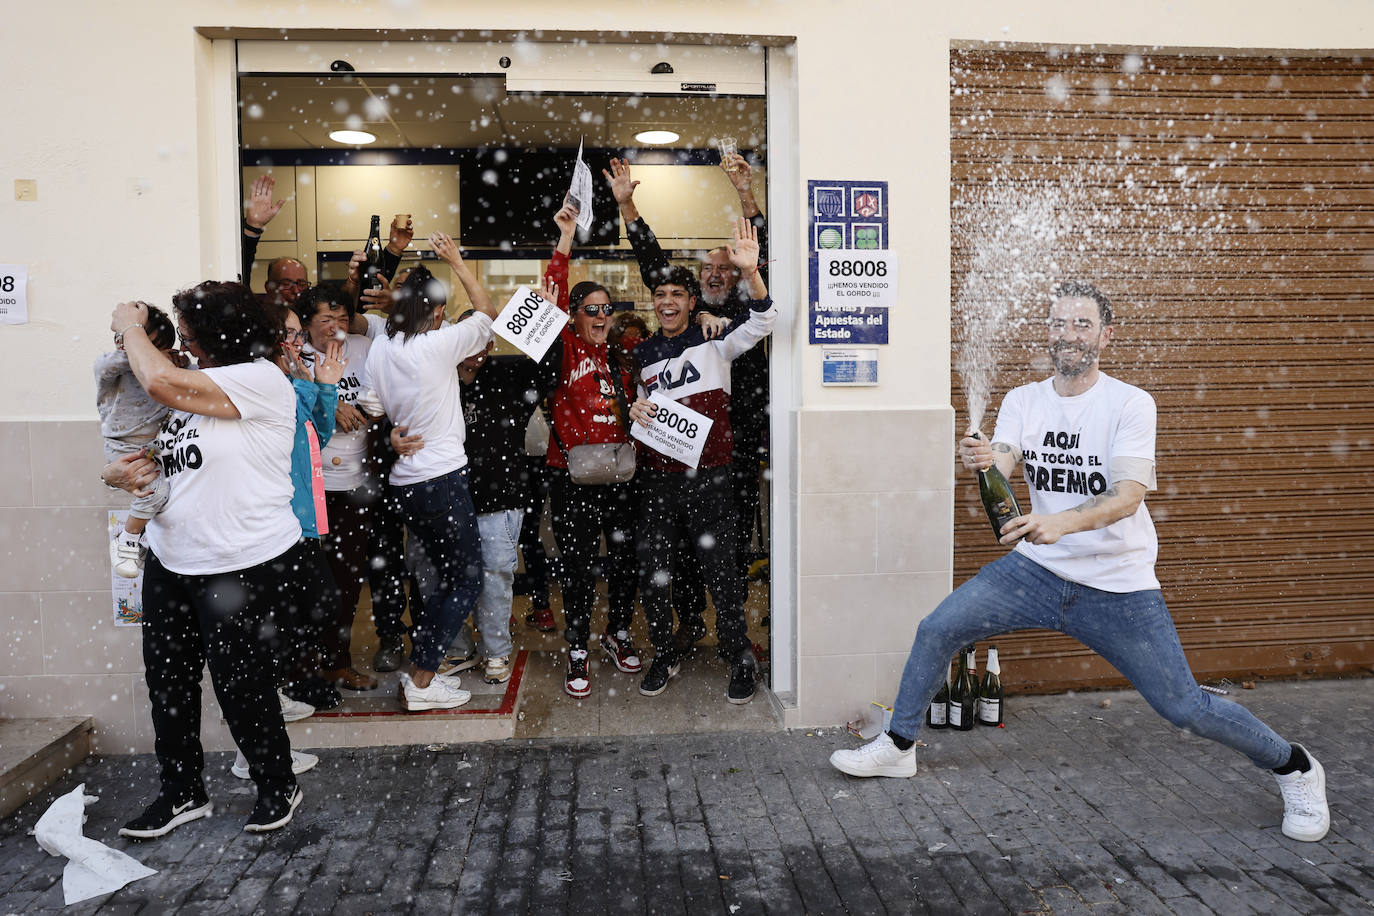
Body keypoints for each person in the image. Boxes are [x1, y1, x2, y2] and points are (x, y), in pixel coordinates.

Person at [829, 281, 1331, 844]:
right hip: (1036, 572)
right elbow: (1005, 457)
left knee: (1184, 707)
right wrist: (983, 456)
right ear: (1048, 333)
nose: (1069, 335)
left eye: (1083, 325)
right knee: (938, 627)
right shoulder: (1024, 399)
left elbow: (1128, 496)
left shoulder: (1130, 403)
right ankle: (899, 747)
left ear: (1105, 336)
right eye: (1059, 324)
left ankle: (1296, 767)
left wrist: (1059, 523)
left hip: (1118, 586)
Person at [106, 283, 313, 837]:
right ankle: (182, 793)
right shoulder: (196, 389)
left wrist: (130, 325)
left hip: (243, 562)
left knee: (240, 683)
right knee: (168, 683)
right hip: (171, 560)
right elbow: (157, 456)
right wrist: (119, 474)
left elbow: (158, 378)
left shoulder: (261, 379)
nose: (188, 344)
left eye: (193, 334)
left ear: (221, 335)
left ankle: (277, 784)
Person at [627, 217, 776, 704]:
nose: (667, 302)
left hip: (711, 478)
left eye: (677, 295)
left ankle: (737, 655)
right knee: (655, 572)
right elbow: (635, 408)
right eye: (661, 295)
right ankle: (665, 652)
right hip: (657, 482)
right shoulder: (642, 352)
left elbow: (764, 320)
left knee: (724, 573)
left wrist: (751, 274)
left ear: (693, 303)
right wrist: (634, 407)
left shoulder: (716, 338)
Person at [607, 154, 771, 593]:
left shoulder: (741, 311)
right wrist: (628, 208)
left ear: (737, 276)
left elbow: (762, 261)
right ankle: (692, 620)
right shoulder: (686, 310)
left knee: (729, 545)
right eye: (708, 269)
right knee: (678, 547)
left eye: (725, 268)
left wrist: (743, 192)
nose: (716, 274)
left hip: (734, 447)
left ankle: (734, 633)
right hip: (678, 452)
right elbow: (653, 264)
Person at [364, 233, 498, 711]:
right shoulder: (436, 346)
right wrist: (458, 262)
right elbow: (488, 313)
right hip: (441, 480)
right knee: (464, 581)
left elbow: (374, 403)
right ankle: (422, 680)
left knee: (438, 580)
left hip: (404, 484)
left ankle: (422, 668)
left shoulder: (382, 346)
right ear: (438, 311)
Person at [394, 312, 541, 685]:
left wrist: (545, 317)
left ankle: (496, 652)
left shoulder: (510, 376)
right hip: (441, 497)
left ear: (491, 346)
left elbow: (549, 365)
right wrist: (390, 439)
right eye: (468, 341)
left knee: (493, 576)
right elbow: (392, 423)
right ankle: (455, 649)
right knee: (437, 578)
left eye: (484, 343)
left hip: (498, 497)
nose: (476, 350)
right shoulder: (431, 380)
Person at [539, 204, 643, 699]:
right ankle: (577, 645)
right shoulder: (564, 350)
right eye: (591, 310)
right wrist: (564, 240)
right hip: (572, 478)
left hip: (621, 479)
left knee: (625, 561)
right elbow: (551, 298)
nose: (601, 317)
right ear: (574, 316)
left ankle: (617, 631)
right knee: (578, 566)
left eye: (607, 309)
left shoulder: (623, 357)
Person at [296, 282, 382, 692]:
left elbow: (383, 393)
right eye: (325, 320)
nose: (335, 327)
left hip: (355, 484)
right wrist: (329, 401)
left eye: (342, 319)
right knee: (309, 580)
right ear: (308, 324)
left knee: (347, 580)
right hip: (309, 488)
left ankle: (336, 661)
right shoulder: (295, 357)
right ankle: (302, 666)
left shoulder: (365, 349)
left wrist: (361, 408)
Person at [95, 304, 179, 577]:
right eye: (151, 346)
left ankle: (139, 539)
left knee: (163, 496)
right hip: (124, 446)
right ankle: (127, 539)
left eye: (162, 348)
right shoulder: (112, 364)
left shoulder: (164, 369)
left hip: (155, 446)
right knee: (156, 493)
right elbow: (124, 360)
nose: (155, 355)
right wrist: (134, 336)